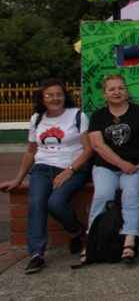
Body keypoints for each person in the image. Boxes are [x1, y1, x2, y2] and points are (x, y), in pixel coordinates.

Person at [0, 79, 91, 274]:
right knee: (37, 204)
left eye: (59, 94)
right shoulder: (37, 119)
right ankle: (36, 254)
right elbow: (30, 152)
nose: (55, 98)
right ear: (42, 98)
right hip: (42, 168)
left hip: (72, 167)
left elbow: (88, 150)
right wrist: (18, 179)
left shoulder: (77, 115)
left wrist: (69, 170)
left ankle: (75, 231)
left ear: (64, 96)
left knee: (56, 203)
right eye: (50, 95)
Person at [84, 74, 139, 264]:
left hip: (134, 168)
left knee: (131, 194)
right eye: (112, 89)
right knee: (103, 195)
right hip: (106, 167)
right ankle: (92, 241)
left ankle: (130, 240)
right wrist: (121, 163)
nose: (117, 92)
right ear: (104, 93)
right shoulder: (99, 116)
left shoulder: (138, 112)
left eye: (120, 88)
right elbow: (97, 145)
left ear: (126, 91)